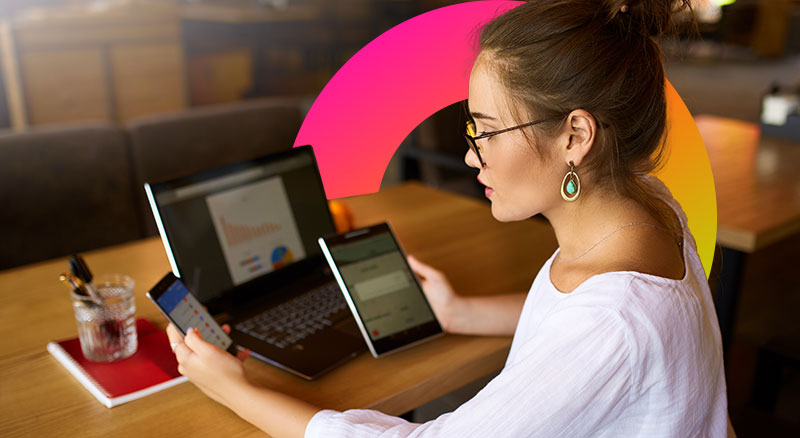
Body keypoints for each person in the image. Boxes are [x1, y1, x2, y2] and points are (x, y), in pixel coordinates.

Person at [166, 0, 734, 436]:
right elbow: (578, 323)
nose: (470, 154)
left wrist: (234, 389)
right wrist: (458, 311)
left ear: (575, 136)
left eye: (486, 131)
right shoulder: (649, 208)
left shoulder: (611, 323)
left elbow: (602, 331)